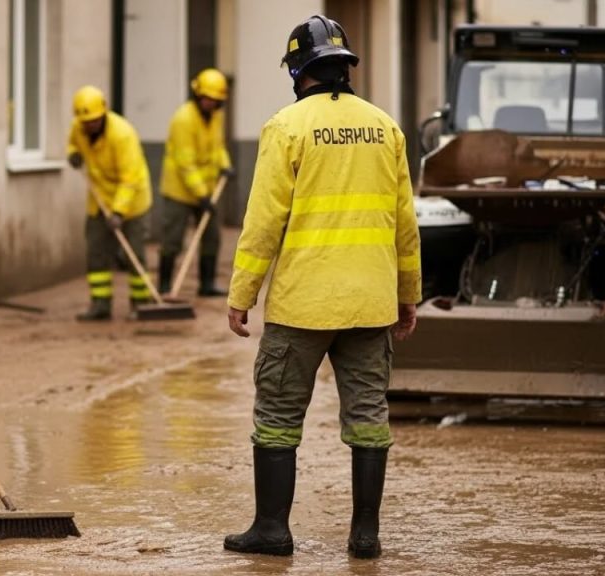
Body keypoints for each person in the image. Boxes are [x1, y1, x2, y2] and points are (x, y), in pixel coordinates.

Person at [223, 15, 421, 558]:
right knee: (369, 416)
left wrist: (242, 295)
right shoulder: (387, 129)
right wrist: (409, 295)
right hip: (370, 303)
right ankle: (365, 536)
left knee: (279, 415)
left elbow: (263, 222)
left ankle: (271, 530)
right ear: (344, 66)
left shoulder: (286, 126)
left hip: (302, 307)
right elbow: (405, 223)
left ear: (298, 71)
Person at [66, 85, 153, 321]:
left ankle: (141, 304)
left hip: (131, 202)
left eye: (94, 120)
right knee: (96, 253)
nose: (90, 125)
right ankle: (100, 305)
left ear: (103, 113)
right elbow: (73, 144)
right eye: (86, 122)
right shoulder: (79, 127)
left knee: (134, 254)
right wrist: (73, 154)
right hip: (99, 199)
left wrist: (118, 212)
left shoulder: (122, 135)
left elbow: (130, 179)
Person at [158, 68, 233, 297]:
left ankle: (207, 283)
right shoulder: (183, 119)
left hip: (208, 191)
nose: (211, 104)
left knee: (211, 237)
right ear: (198, 96)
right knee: (172, 239)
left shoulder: (216, 117)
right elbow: (186, 164)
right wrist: (201, 195)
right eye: (207, 99)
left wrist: (225, 165)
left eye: (216, 100)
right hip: (179, 191)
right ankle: (164, 285)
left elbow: (217, 146)